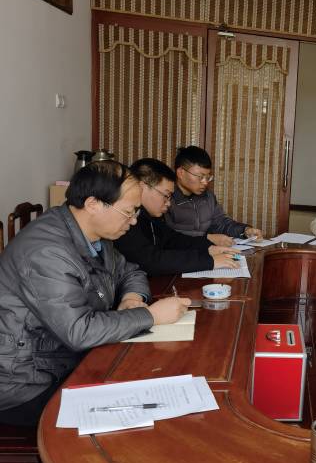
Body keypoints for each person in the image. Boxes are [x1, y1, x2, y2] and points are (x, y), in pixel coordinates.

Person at [0, 161, 190, 426]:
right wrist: (150, 316)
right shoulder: (46, 251)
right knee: (136, 413)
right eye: (128, 212)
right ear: (93, 204)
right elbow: (79, 331)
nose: (134, 221)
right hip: (26, 383)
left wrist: (132, 298)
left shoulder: (92, 235)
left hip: (62, 359)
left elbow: (131, 271)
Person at [114, 158, 241, 276]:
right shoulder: (125, 218)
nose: (169, 203)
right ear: (142, 187)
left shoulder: (150, 215)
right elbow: (150, 260)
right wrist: (209, 261)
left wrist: (208, 248)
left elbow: (172, 239)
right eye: (166, 195)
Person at [165, 146, 262, 247]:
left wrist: (245, 230)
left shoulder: (208, 196)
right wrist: (207, 238)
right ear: (181, 173)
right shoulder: (166, 198)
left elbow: (221, 223)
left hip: (206, 252)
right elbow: (167, 236)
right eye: (200, 177)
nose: (205, 182)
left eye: (208, 177)